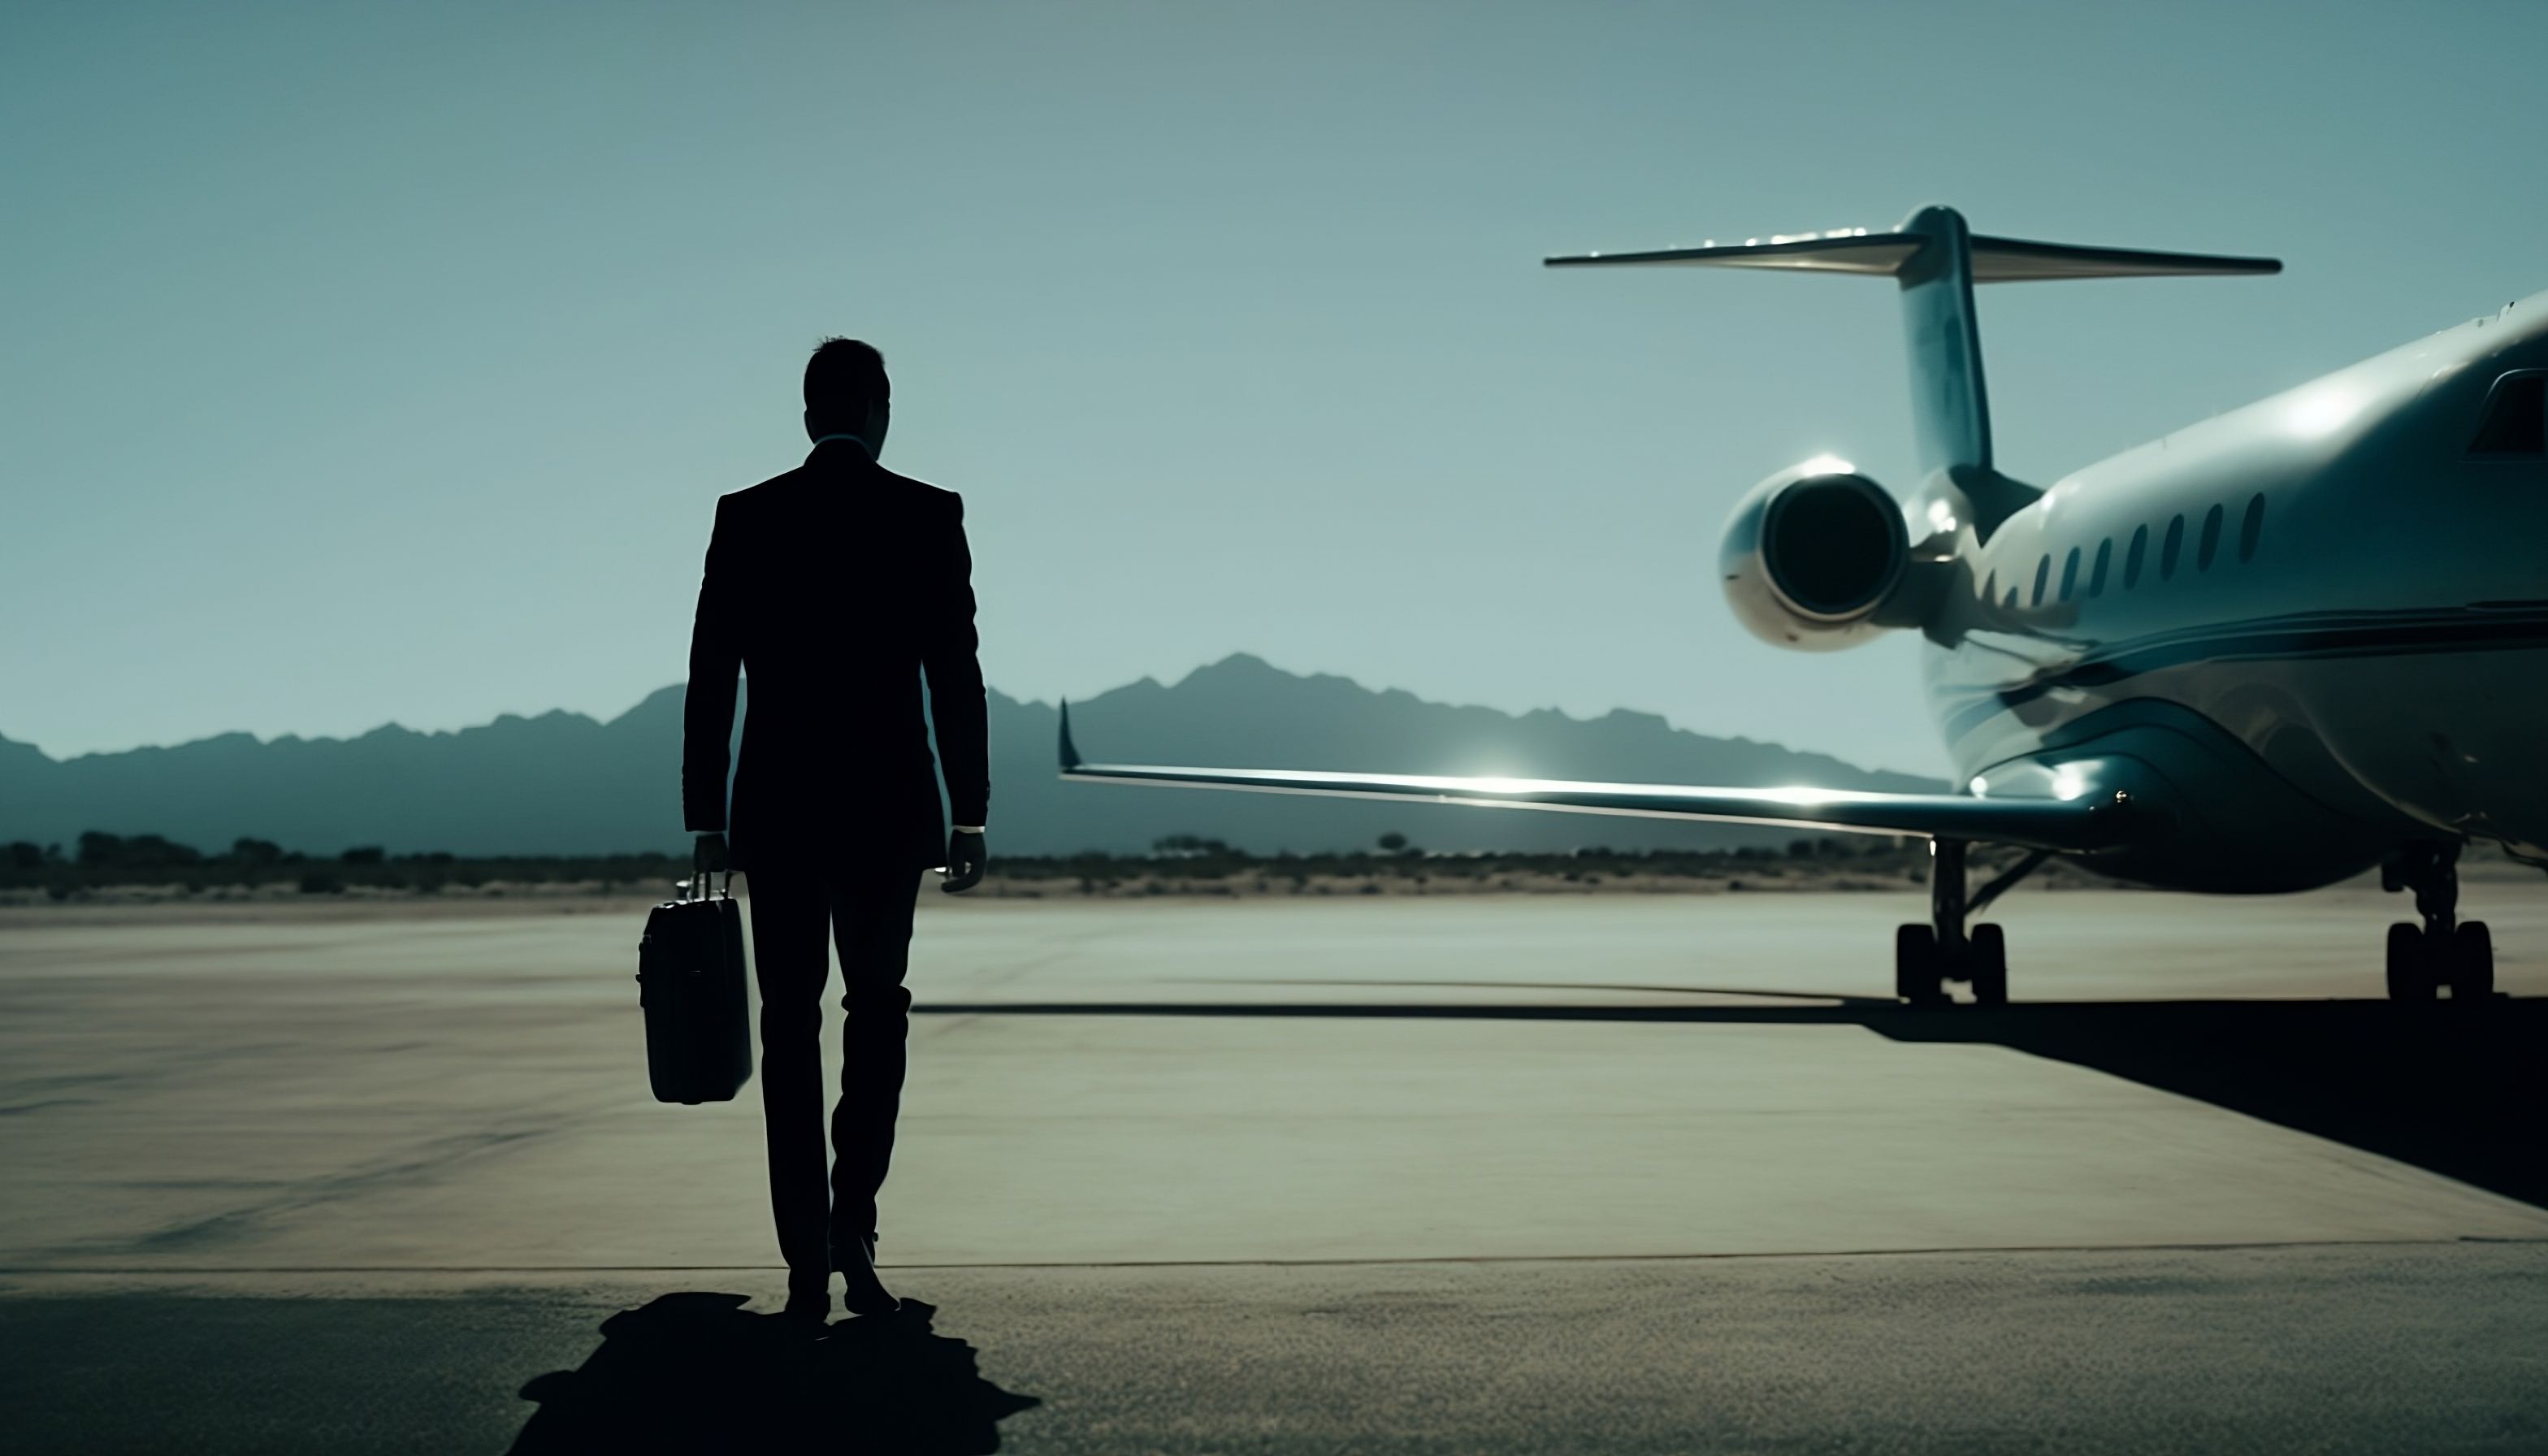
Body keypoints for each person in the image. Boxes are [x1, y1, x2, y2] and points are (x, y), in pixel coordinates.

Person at [682, 337, 990, 1318]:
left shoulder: (748, 517)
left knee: (788, 1023)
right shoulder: (927, 515)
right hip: (888, 811)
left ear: (810, 412)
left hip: (776, 811)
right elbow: (955, 673)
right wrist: (969, 808)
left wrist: (704, 818)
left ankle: (804, 1255)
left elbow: (710, 677)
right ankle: (854, 1222)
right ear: (881, 407)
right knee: (877, 1009)